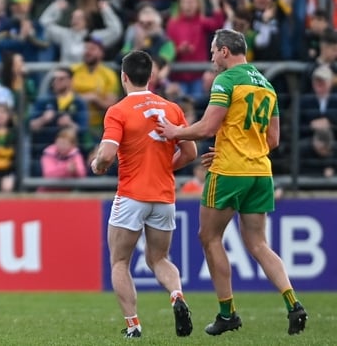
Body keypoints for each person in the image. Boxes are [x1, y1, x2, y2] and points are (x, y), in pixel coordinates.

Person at [156, 28, 308, 336]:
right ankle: (293, 303)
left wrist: (173, 132)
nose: (211, 57)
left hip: (230, 173)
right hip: (260, 172)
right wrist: (236, 148)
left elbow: (207, 127)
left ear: (225, 51)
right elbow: (273, 140)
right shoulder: (266, 85)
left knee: (209, 238)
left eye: (213, 51)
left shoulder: (225, 80)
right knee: (258, 243)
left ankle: (227, 314)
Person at [91, 50, 197, 339]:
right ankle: (176, 295)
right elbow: (190, 152)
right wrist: (165, 167)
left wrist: (97, 165)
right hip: (164, 196)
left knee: (120, 261)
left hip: (132, 195)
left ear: (123, 77)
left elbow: (107, 153)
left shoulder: (118, 110)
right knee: (159, 258)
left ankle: (133, 325)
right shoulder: (172, 108)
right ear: (151, 76)